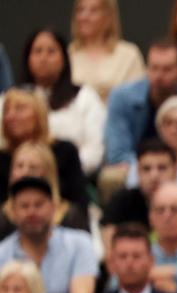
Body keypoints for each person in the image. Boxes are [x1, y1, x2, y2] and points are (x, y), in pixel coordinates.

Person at [102, 39, 177, 176]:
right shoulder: (121, 97)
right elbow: (117, 153)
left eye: (167, 69)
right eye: (153, 68)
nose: (158, 76)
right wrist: (152, 167)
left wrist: (173, 166)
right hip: (137, 170)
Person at [0, 176, 95, 293]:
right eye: (24, 206)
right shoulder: (2, 252)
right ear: (13, 212)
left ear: (54, 207)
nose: (31, 212)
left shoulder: (79, 243)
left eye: (39, 205)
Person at [100, 139, 177, 250]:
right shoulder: (122, 201)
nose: (154, 176)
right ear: (137, 172)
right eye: (146, 169)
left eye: (162, 168)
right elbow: (112, 257)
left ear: (176, 170)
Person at [16, 28, 106, 174]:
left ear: (64, 58)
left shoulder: (85, 97)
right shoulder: (10, 99)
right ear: (28, 58)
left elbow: (95, 150)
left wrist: (58, 170)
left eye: (51, 51)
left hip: (70, 176)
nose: (43, 58)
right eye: (37, 51)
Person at [0, 86, 90, 212]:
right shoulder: (2, 158)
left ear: (39, 114)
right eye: (6, 110)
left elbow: (80, 204)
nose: (10, 116)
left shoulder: (65, 152)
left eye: (19, 109)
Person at [0, 142, 91, 240]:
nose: (24, 173)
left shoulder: (71, 216)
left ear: (48, 173)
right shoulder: (2, 217)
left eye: (33, 167)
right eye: (19, 166)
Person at [68, 0, 145, 103]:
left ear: (108, 16)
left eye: (93, 10)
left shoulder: (128, 55)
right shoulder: (68, 53)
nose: (84, 17)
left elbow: (137, 98)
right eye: (80, 10)